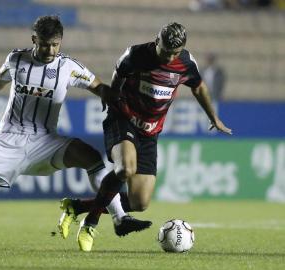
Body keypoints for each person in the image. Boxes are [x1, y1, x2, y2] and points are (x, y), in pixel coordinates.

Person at [0, 15, 150, 251]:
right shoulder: (16, 60)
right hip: (9, 139)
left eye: (56, 44)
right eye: (45, 44)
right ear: (34, 39)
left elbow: (98, 85)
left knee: (91, 158)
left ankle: (120, 218)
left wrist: (111, 97)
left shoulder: (68, 67)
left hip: (46, 140)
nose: (51, 50)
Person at [74, 22, 232, 252]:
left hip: (150, 132)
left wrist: (213, 117)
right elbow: (118, 76)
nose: (169, 57)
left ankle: (77, 207)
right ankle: (90, 223)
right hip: (124, 119)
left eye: (174, 53)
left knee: (140, 202)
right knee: (125, 169)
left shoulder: (186, 63)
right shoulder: (136, 55)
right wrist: (111, 98)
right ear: (157, 41)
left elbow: (198, 88)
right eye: (165, 50)